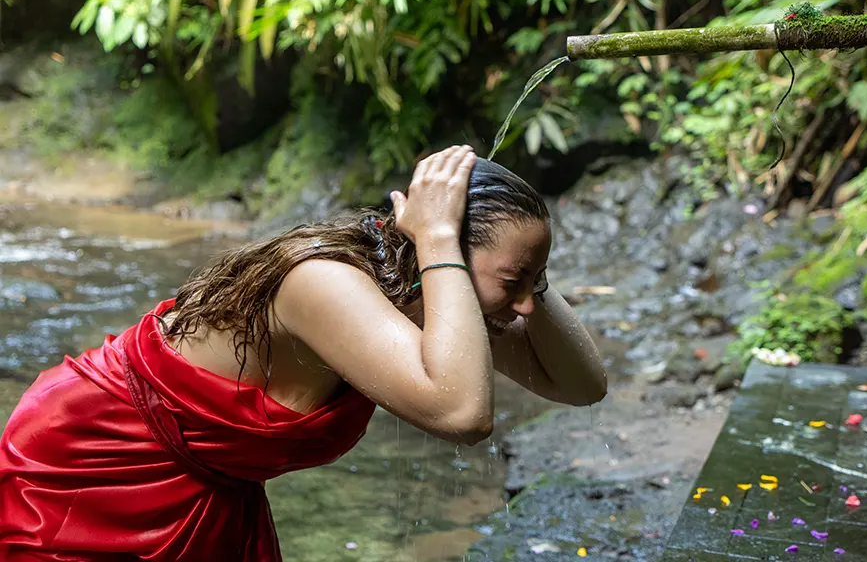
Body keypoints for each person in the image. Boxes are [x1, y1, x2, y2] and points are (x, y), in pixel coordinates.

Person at [0, 145, 607, 561]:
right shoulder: (325, 282)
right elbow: (462, 415)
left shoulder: (428, 288)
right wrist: (443, 236)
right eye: (514, 280)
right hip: (90, 458)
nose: (527, 304)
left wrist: (528, 276)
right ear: (431, 243)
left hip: (206, 488)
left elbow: (583, 386)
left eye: (539, 281)